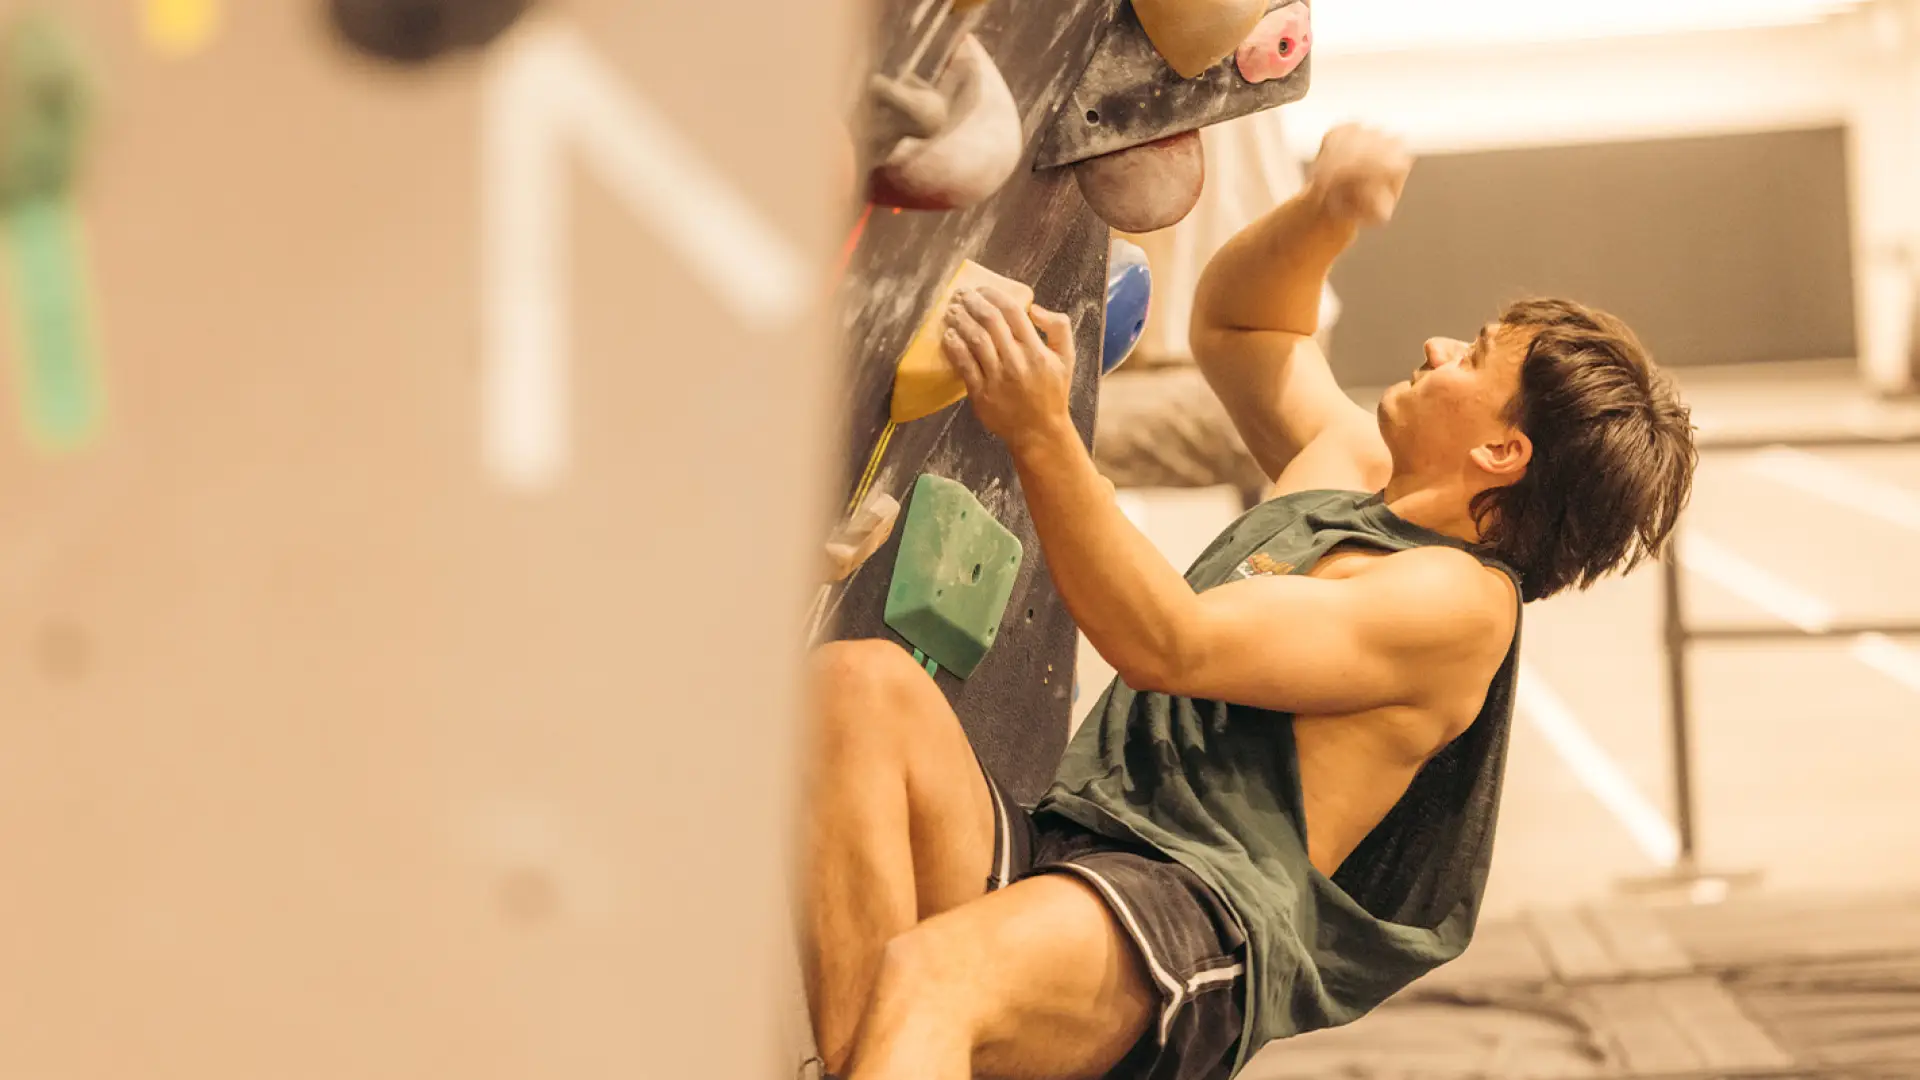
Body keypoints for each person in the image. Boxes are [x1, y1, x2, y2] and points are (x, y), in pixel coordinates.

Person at [800, 124, 1697, 1080]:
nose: (1437, 346)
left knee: (937, 975)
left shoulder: (1459, 601)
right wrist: (1327, 213)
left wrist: (1040, 430)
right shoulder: (1348, 468)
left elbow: (1167, 643)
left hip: (1193, 908)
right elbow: (1243, 327)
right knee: (854, 686)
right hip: (1077, 848)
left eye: (1474, 358)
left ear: (1501, 454)